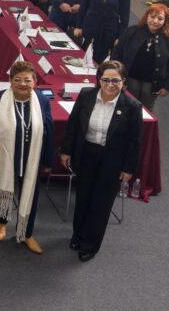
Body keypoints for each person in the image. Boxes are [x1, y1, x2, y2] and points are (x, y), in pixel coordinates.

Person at [60, 60, 142, 262]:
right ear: (99, 80)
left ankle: (90, 244)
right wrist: (66, 151)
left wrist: (128, 168)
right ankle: (77, 235)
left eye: (116, 80)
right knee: (83, 198)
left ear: (124, 82)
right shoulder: (86, 95)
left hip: (112, 160)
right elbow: (72, 126)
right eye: (106, 80)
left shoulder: (132, 106)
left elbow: (135, 141)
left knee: (101, 203)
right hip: (86, 153)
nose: (110, 84)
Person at [0, 61, 55, 254]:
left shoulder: (42, 101)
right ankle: (1, 223)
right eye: (17, 79)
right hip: (7, 157)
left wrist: (47, 161)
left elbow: (49, 131)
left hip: (31, 160)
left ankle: (27, 233)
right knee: (4, 190)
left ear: (35, 82)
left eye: (27, 80)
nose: (22, 83)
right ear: (10, 81)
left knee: (31, 197)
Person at [110, 3, 169, 112]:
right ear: (147, 16)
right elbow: (117, 52)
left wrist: (168, 86)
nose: (155, 21)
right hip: (130, 79)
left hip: (152, 84)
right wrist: (115, 75)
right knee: (124, 107)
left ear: (165, 21)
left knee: (144, 111)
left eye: (160, 19)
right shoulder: (132, 31)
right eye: (152, 17)